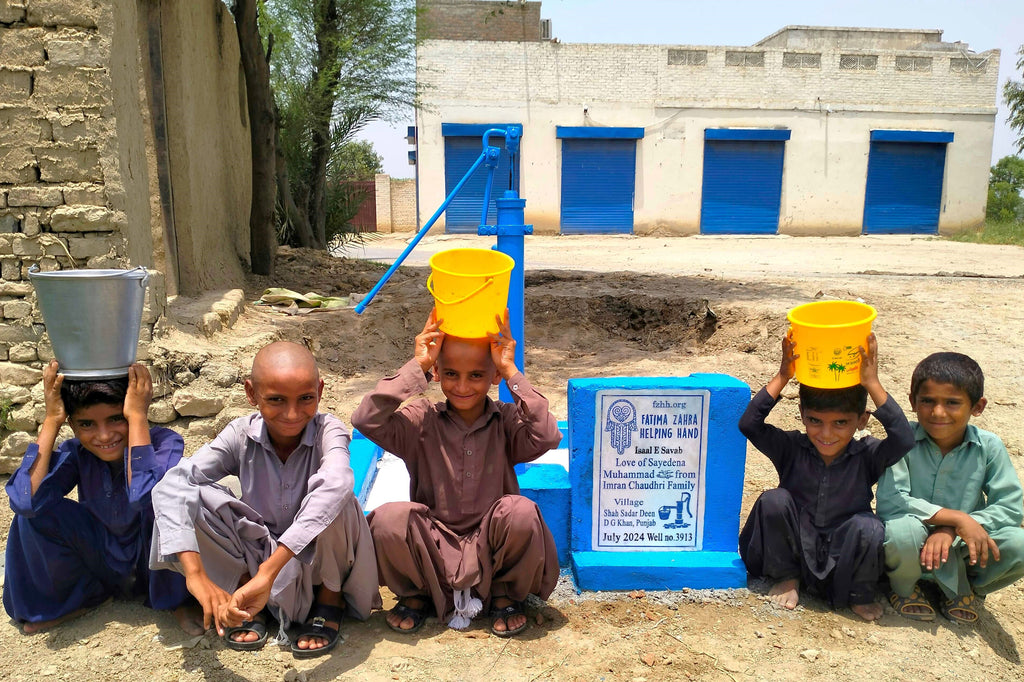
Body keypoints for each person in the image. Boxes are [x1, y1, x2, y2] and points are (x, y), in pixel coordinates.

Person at [150, 341, 379, 658]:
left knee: (337, 498)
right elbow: (174, 483)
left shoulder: (330, 430)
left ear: (320, 391)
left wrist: (268, 574)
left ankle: (330, 598)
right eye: (275, 400)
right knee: (192, 494)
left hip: (317, 563)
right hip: (256, 561)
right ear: (251, 393)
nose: (292, 413)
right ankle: (245, 597)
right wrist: (195, 575)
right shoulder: (240, 435)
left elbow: (337, 482)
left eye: (305, 399)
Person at [351, 309, 562, 637]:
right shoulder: (421, 419)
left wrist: (511, 370)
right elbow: (366, 420)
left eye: (477, 375)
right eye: (451, 373)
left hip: (491, 548)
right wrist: (416, 366)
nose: (462, 386)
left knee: (520, 513)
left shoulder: (505, 421)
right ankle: (417, 593)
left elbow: (547, 435)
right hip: (432, 547)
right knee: (390, 519)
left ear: (493, 376)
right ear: (436, 373)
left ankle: (504, 593)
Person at [3, 361, 199, 635]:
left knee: (169, 503)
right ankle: (82, 599)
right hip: (102, 562)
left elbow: (144, 496)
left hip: (152, 565)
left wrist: (137, 419)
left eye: (116, 418)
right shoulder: (76, 454)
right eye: (87, 424)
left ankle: (179, 601)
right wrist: (51, 420)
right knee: (35, 513)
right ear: (72, 424)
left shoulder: (165, 443)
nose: (104, 435)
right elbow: (25, 501)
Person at [738, 332, 914, 621]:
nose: (826, 434)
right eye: (815, 421)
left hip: (841, 556)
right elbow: (749, 424)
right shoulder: (792, 447)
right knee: (774, 500)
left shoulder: (868, 454)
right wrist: (783, 376)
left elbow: (904, 439)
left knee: (869, 526)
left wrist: (872, 382)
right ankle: (786, 577)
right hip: (792, 546)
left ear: (861, 420)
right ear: (803, 414)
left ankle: (858, 594)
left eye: (841, 423)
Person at [877, 352, 1024, 625]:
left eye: (953, 403)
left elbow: (1010, 508)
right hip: (911, 546)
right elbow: (892, 500)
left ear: (977, 407)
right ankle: (904, 587)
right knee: (901, 531)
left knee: (1019, 543)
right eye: (928, 401)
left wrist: (953, 530)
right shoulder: (902, 442)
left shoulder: (989, 447)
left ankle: (962, 588)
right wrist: (956, 518)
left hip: (960, 549)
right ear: (913, 402)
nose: (938, 412)